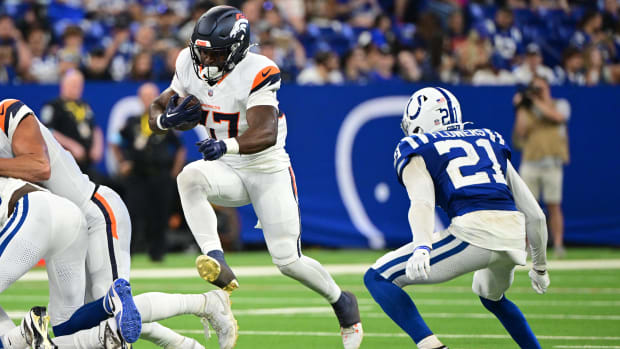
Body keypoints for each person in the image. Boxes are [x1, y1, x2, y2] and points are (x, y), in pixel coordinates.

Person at [148, 6, 363, 348]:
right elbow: (157, 108)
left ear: (235, 49)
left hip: (266, 169)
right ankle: (215, 258)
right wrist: (166, 121)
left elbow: (265, 132)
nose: (204, 60)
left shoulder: (259, 70)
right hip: (226, 168)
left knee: (289, 261)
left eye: (214, 53)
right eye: (200, 51)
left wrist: (225, 146)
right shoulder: (189, 64)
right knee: (189, 177)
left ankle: (342, 301)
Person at [0, 99, 237, 348]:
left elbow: (40, 166)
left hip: (97, 212)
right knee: (69, 327)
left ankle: (206, 306)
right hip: (68, 224)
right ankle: (188, 337)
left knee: (114, 318)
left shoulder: (8, 111)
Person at [364, 87, 550, 349]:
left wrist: (422, 246)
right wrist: (540, 267)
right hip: (513, 236)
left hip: (473, 232)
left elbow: (422, 202)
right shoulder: (488, 139)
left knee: (377, 277)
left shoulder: (416, 146)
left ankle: (432, 347)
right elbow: (536, 215)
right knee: (491, 296)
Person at [117, 88, 186, 261]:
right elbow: (116, 141)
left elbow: (180, 147)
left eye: (151, 97)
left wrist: (174, 172)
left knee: (160, 215)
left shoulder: (164, 121)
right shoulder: (132, 122)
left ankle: (158, 253)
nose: (148, 100)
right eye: (145, 96)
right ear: (140, 99)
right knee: (133, 213)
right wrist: (122, 162)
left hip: (160, 174)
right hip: (138, 175)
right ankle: (128, 253)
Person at [513, 76, 570, 258]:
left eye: (540, 87)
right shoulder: (528, 109)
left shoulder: (559, 104)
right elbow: (520, 132)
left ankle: (559, 244)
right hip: (531, 161)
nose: (537, 91)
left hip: (552, 162)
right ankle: (527, 246)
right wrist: (522, 107)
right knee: (527, 207)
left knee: (554, 205)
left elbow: (557, 117)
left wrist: (537, 100)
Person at [40, 70, 104, 176]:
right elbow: (47, 130)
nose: (77, 88)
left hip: (86, 163)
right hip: (64, 164)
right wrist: (71, 146)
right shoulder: (53, 106)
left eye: (79, 85)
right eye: (74, 85)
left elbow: (95, 128)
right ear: (64, 85)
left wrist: (97, 147)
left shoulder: (84, 105)